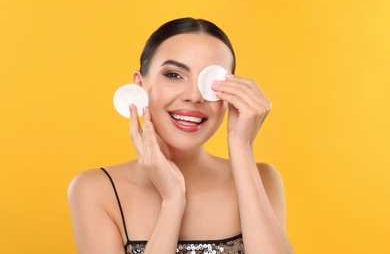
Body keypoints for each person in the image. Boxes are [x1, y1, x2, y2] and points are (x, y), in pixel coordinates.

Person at [68, 17, 294, 254]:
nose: (194, 96)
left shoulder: (263, 179)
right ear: (140, 84)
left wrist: (242, 148)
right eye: (174, 75)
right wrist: (172, 202)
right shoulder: (96, 190)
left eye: (211, 81)